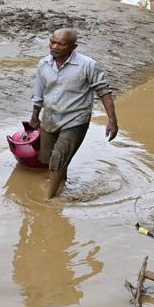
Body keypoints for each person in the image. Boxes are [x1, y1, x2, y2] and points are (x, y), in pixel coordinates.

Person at [26, 28, 117, 198]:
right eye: (52, 42)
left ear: (73, 47)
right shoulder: (44, 63)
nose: (54, 46)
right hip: (50, 118)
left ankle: (48, 200)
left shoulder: (88, 65)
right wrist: (34, 116)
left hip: (75, 120)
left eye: (60, 44)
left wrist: (112, 120)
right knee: (47, 159)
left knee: (58, 160)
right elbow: (39, 92)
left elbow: (104, 92)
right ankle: (62, 183)